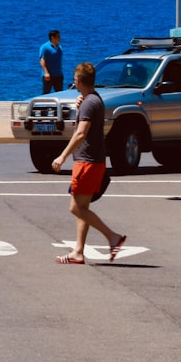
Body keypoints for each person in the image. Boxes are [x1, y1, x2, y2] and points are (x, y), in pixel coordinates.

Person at [51, 62, 126, 265]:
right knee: (82, 207)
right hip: (93, 160)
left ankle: (113, 237)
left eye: (74, 80)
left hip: (87, 162)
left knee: (75, 208)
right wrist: (81, 104)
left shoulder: (89, 103)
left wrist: (63, 156)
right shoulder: (91, 100)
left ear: (79, 81)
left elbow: (81, 133)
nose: (73, 83)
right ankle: (78, 252)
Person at [39, 29, 64, 94]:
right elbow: (42, 60)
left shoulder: (59, 47)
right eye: (58, 36)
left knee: (60, 93)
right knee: (46, 94)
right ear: (52, 37)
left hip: (58, 75)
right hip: (49, 76)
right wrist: (46, 73)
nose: (60, 38)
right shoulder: (45, 47)